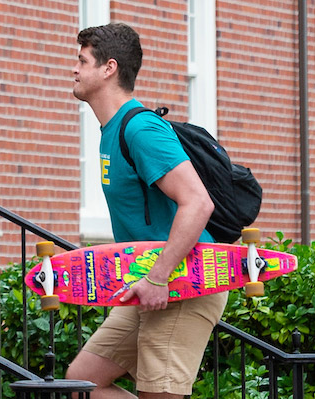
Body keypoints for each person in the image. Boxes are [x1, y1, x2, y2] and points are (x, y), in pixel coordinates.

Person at [65, 23, 225, 399]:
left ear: (109, 68)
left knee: (160, 393)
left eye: (82, 61)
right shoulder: (111, 129)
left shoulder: (141, 130)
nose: (74, 69)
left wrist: (159, 277)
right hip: (146, 276)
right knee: (82, 383)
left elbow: (198, 202)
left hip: (184, 281)